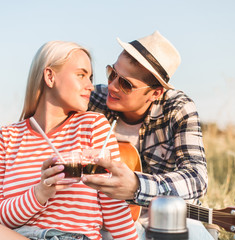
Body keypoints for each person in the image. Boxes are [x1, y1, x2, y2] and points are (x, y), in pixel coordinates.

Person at [0, 41, 138, 240]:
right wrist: (40, 193)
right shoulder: (6, 137)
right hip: (13, 234)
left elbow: (114, 207)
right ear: (49, 76)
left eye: (90, 78)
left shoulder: (93, 125)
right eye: (81, 75)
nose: (90, 86)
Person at [83, 31, 214, 239]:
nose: (111, 85)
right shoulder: (94, 99)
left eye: (125, 84)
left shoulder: (178, 108)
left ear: (156, 93)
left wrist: (136, 186)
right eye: (111, 73)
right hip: (109, 218)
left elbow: (197, 178)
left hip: (170, 217)